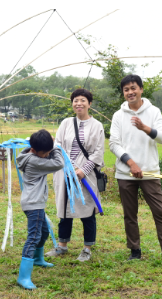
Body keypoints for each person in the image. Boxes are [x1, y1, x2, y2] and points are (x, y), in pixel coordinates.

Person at [109, 74, 162, 266]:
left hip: (150, 171)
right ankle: (135, 251)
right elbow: (114, 144)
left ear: (141, 89)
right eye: (126, 90)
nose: (130, 92)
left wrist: (145, 128)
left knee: (159, 212)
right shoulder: (118, 115)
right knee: (130, 214)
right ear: (123, 93)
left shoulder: (153, 112)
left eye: (133, 88)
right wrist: (131, 164)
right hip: (125, 173)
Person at [46, 89, 105, 262]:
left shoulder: (97, 126)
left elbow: (98, 153)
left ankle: (87, 248)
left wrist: (82, 171)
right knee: (64, 209)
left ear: (89, 103)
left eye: (82, 100)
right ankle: (62, 246)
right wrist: (68, 166)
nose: (78, 103)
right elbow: (57, 145)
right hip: (64, 172)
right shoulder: (65, 123)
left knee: (87, 210)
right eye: (75, 100)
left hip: (86, 176)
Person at [15, 129, 64, 290]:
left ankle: (37, 259)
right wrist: (55, 146)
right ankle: (24, 277)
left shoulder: (29, 154)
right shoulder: (35, 161)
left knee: (43, 232)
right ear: (35, 150)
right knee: (33, 237)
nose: (47, 155)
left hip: (35, 203)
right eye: (46, 153)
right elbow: (58, 163)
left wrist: (47, 147)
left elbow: (43, 154)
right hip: (34, 204)